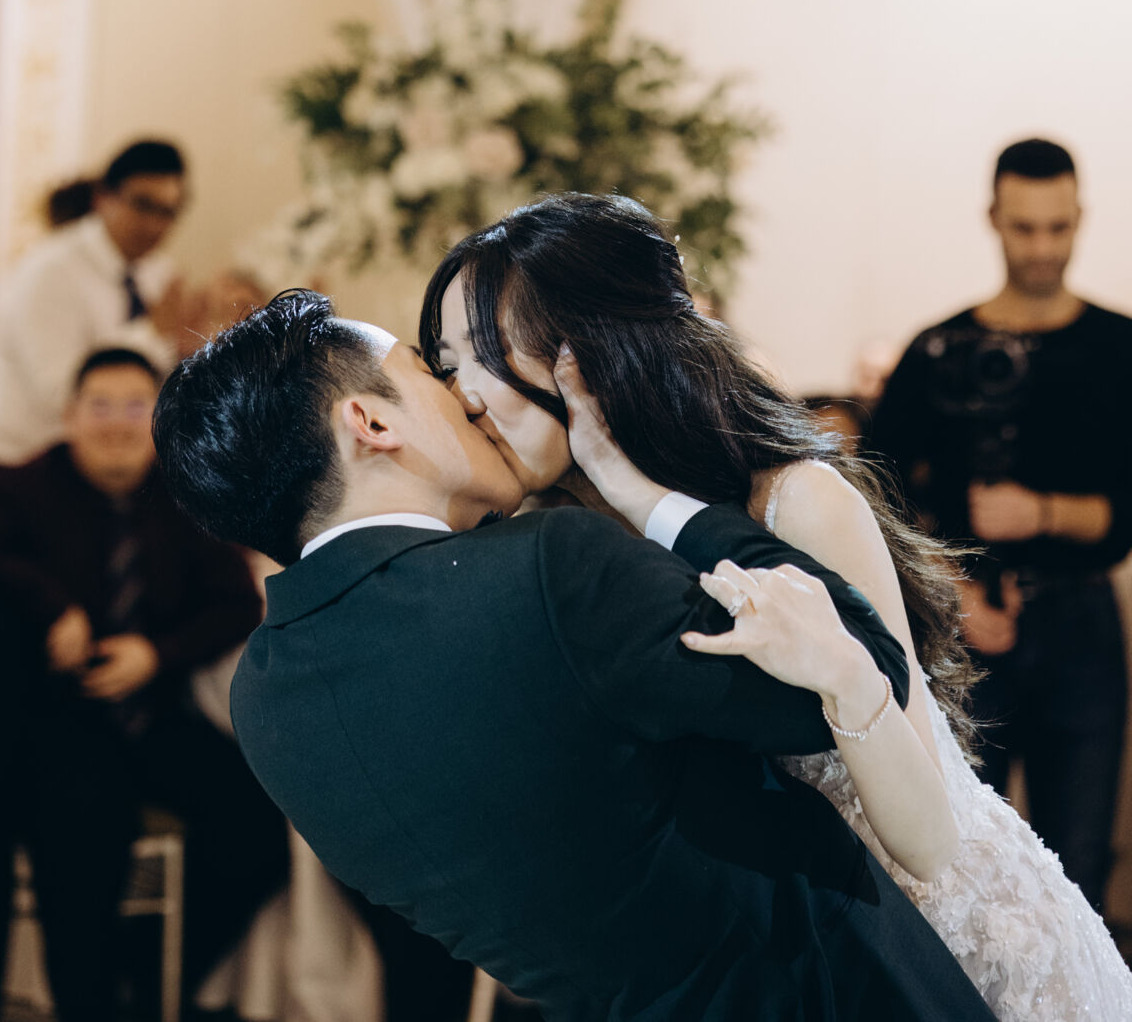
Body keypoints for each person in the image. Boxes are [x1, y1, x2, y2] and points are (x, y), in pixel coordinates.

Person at [153, 288, 998, 1022]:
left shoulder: (264, 700)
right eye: (427, 372)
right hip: (834, 988)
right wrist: (647, 497)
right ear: (371, 422)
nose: (465, 398)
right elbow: (856, 660)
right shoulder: (543, 571)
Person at [421, 191, 1132, 1021]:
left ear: (594, 351)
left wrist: (639, 494)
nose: (463, 394)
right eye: (445, 364)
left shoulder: (795, 505)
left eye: (487, 352)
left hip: (942, 952)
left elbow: (929, 840)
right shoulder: (542, 547)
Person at [0, 345, 289, 1022]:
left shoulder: (179, 493)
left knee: (258, 831)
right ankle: (88, 1003)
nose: (117, 423)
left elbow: (237, 602)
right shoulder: (22, 487)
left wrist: (157, 654)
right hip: (57, 721)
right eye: (101, 406)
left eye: (135, 407)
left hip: (154, 711)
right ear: (70, 416)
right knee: (81, 848)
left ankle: (144, 979)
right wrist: (49, 606)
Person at [869, 136, 1132, 915]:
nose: (1043, 248)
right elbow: (874, 495)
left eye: (1059, 227)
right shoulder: (937, 349)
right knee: (959, 872)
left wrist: (1044, 512)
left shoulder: (1119, 348)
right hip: (961, 629)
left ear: (1081, 216)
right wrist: (951, 592)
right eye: (1025, 228)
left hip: (1082, 623)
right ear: (993, 218)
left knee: (1079, 872)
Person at [0, 137, 201, 466]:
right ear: (103, 198)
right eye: (143, 205)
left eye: (168, 212)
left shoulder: (160, 273)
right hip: (18, 462)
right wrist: (152, 334)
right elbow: (62, 394)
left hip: (104, 466)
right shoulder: (51, 271)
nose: (155, 225)